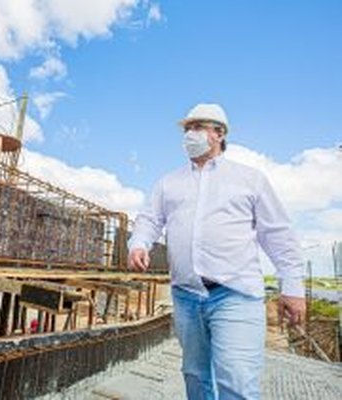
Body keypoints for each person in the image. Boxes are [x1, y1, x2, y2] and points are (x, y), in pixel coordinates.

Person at [128, 103, 305, 400]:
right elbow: (149, 219)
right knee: (196, 376)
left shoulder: (250, 179)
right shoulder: (169, 183)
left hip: (235, 295)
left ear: (219, 133)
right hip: (186, 296)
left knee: (236, 380)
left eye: (197, 128)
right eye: (187, 129)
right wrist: (138, 243)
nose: (189, 135)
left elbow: (277, 234)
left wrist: (293, 285)